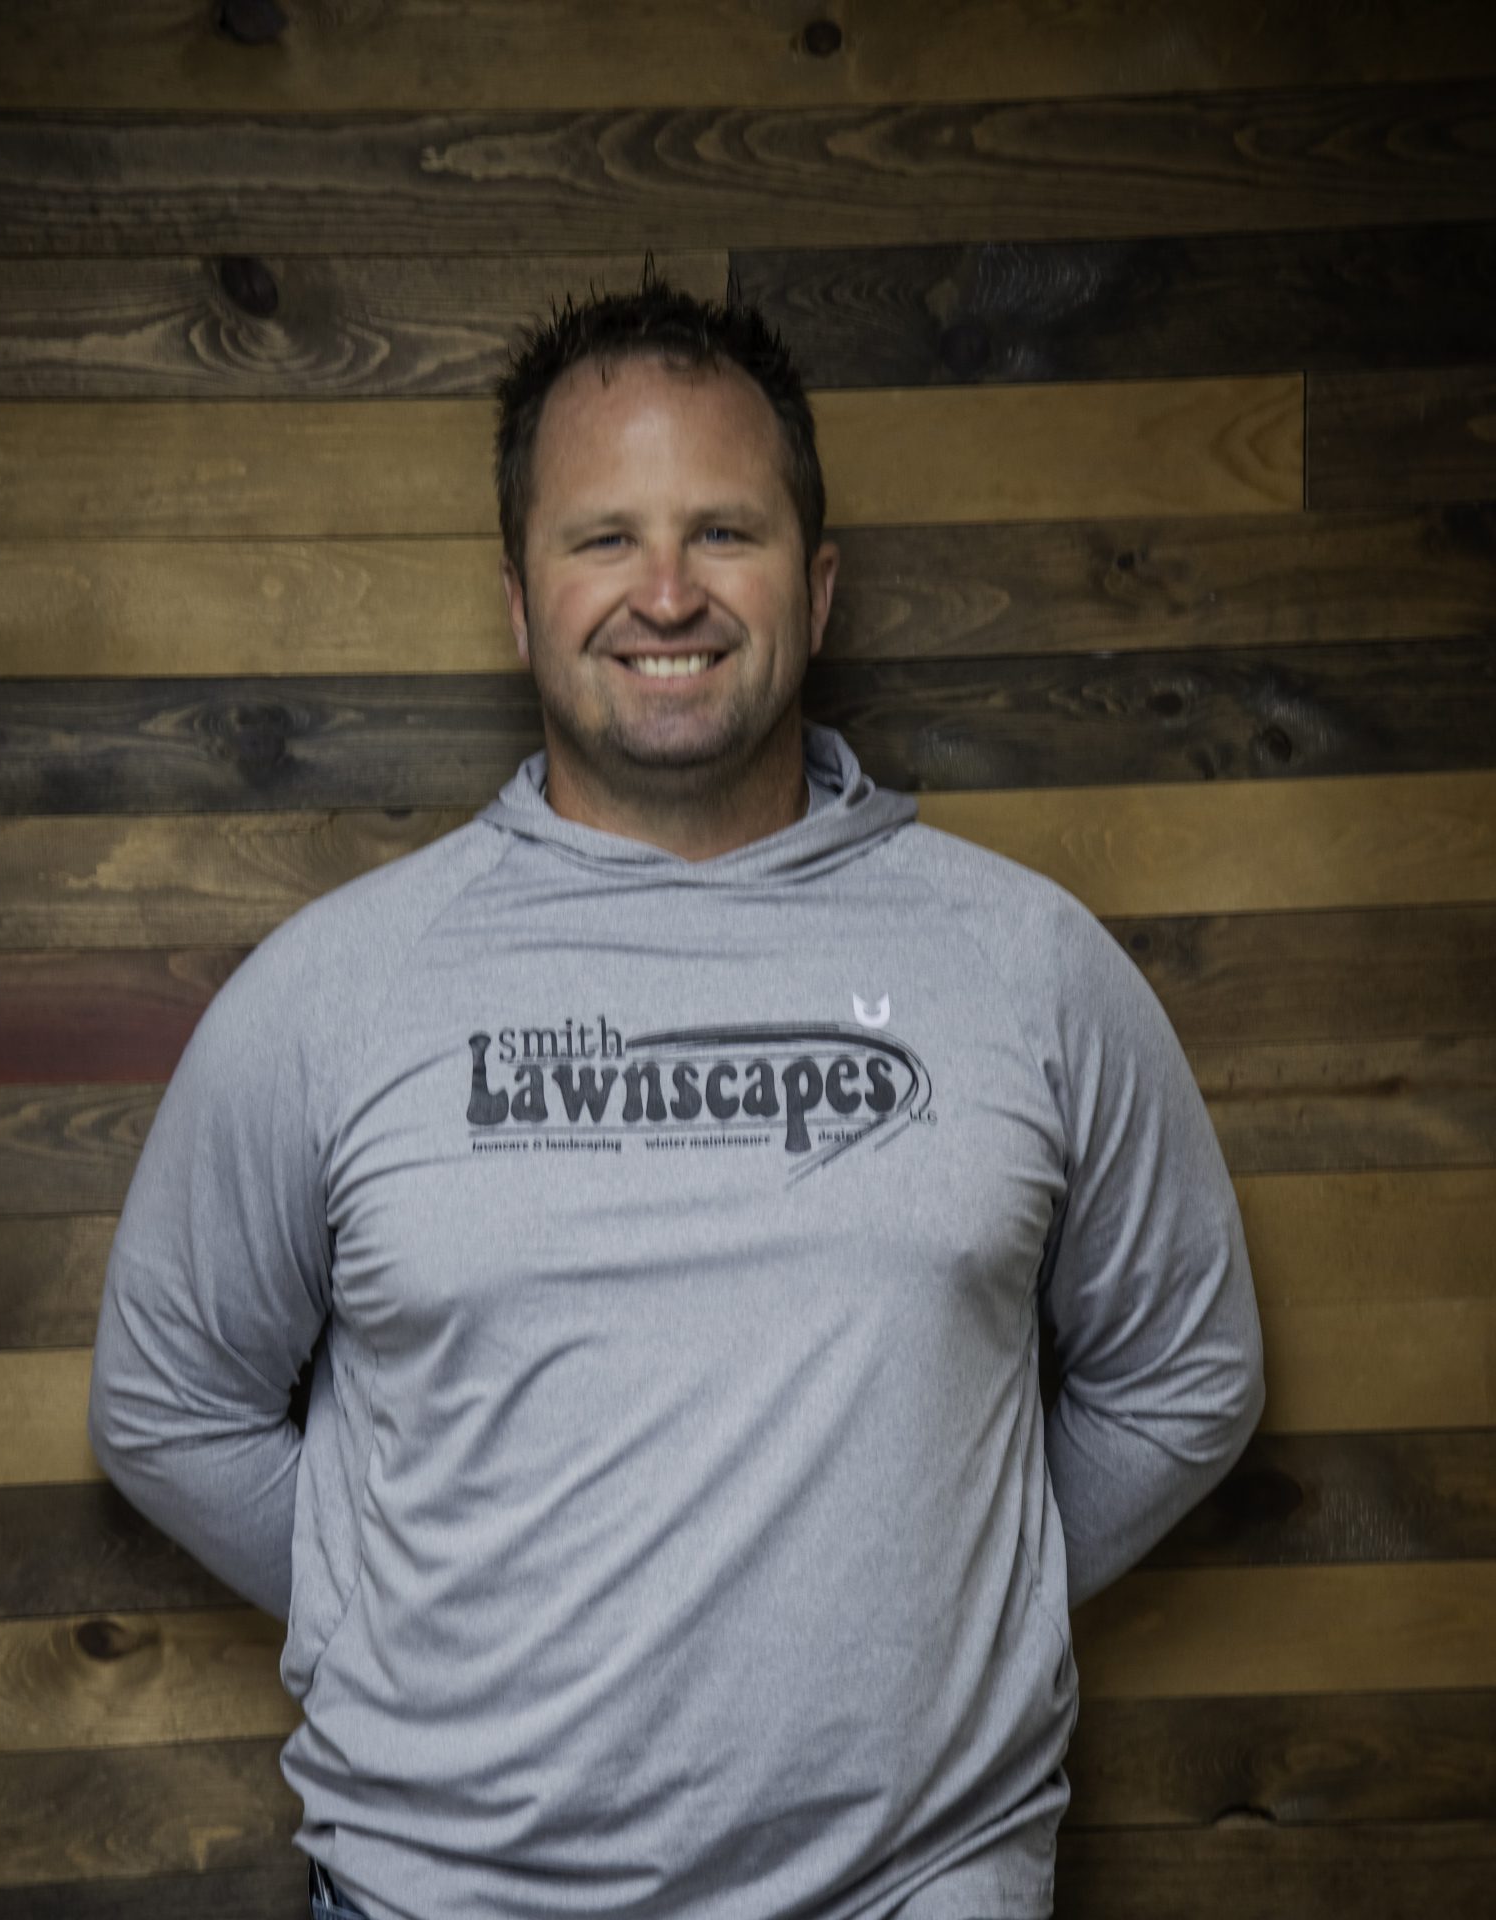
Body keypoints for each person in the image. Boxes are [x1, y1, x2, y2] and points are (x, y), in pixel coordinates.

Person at [88, 265, 1266, 1920]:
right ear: (518, 598)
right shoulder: (338, 990)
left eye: (724, 531)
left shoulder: (1028, 967)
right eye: (602, 538)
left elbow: (1184, 1378)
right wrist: (406, 1619)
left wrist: (946, 1601)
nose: (666, 591)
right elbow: (169, 1406)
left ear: (819, 583)